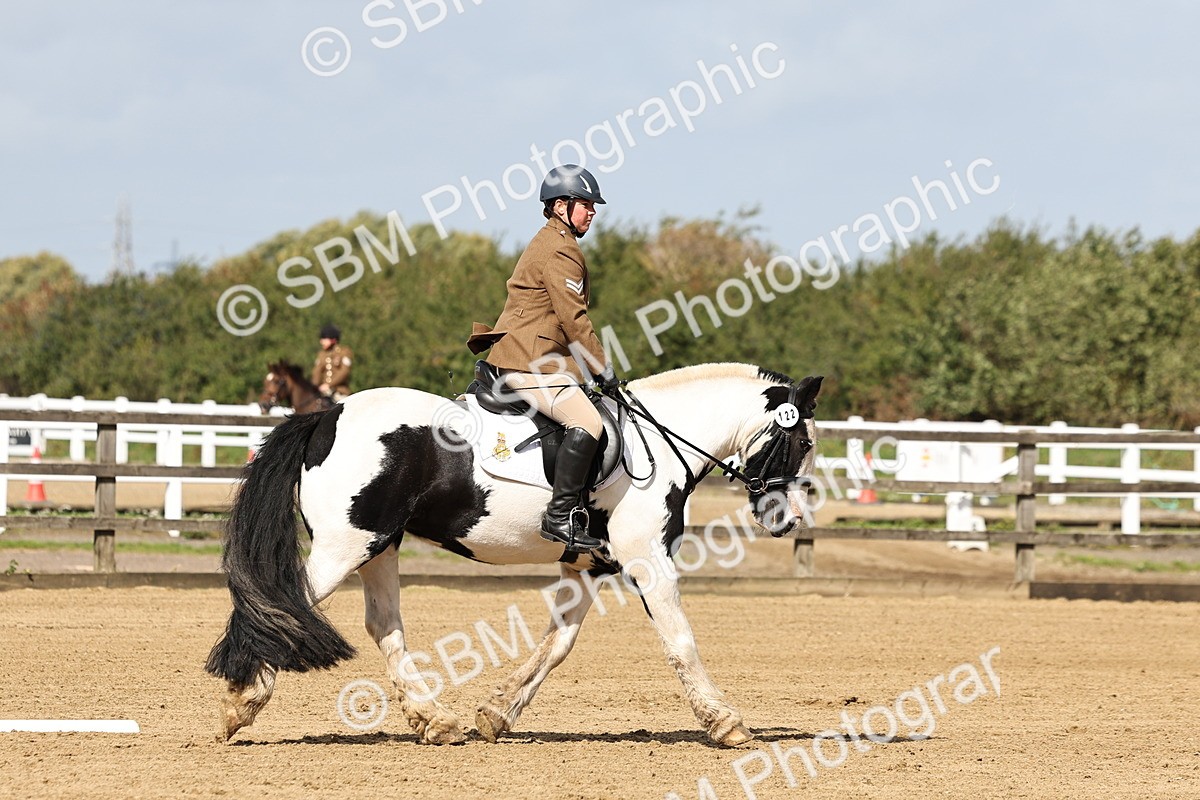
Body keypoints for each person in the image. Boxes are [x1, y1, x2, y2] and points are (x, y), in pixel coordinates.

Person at [467, 164, 618, 552]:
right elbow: (574, 319)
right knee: (588, 422)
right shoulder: (561, 249)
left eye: (592, 205)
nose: (593, 212)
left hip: (528, 355)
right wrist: (602, 369)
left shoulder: (553, 241)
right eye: (585, 204)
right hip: (527, 361)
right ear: (560, 206)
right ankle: (559, 515)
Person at [312, 323, 353, 401]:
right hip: (323, 392)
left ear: (333, 339)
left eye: (324, 338)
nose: (321, 341)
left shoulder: (344, 352)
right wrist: (314, 387)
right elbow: (316, 372)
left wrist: (329, 385)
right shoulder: (321, 354)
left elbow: (344, 372)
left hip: (339, 392)